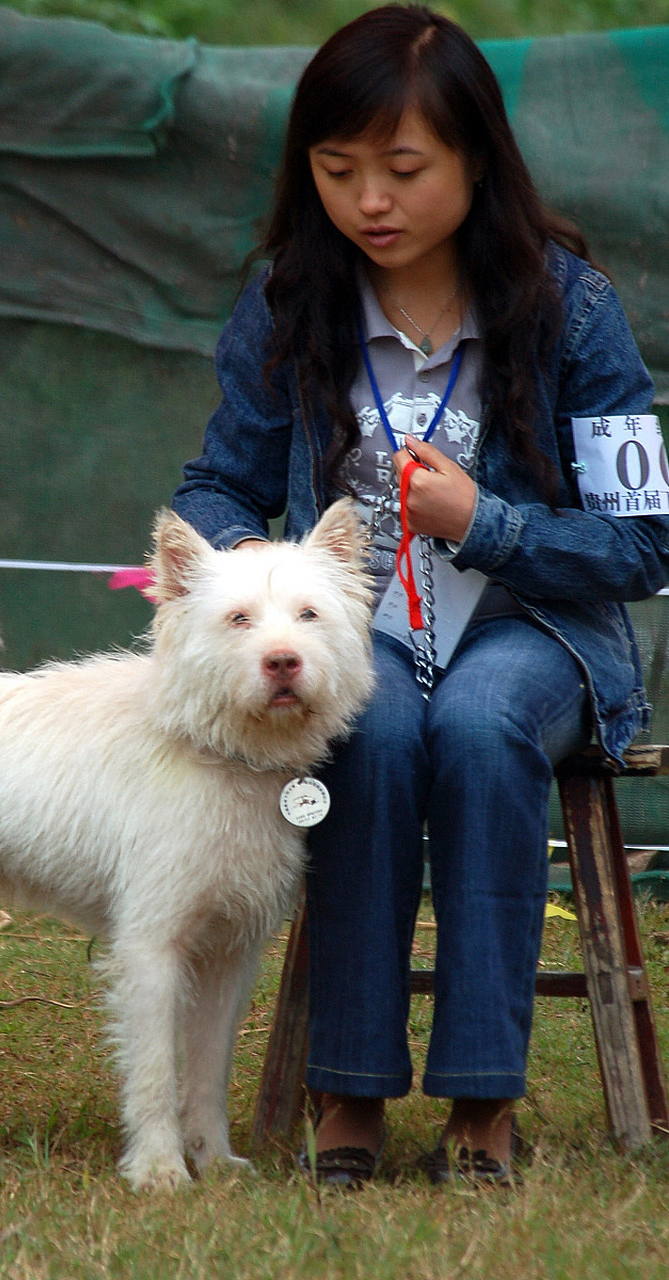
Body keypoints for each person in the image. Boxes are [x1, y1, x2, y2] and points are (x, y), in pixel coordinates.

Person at [171, 4, 669, 1186]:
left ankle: (483, 1102)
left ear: (476, 161)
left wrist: (481, 523)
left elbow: (647, 542)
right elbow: (216, 485)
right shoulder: (291, 301)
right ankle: (348, 1091)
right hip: (365, 644)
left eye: (402, 169)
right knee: (381, 722)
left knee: (484, 721)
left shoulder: (576, 309)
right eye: (337, 171)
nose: (369, 201)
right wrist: (260, 573)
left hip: (538, 633)